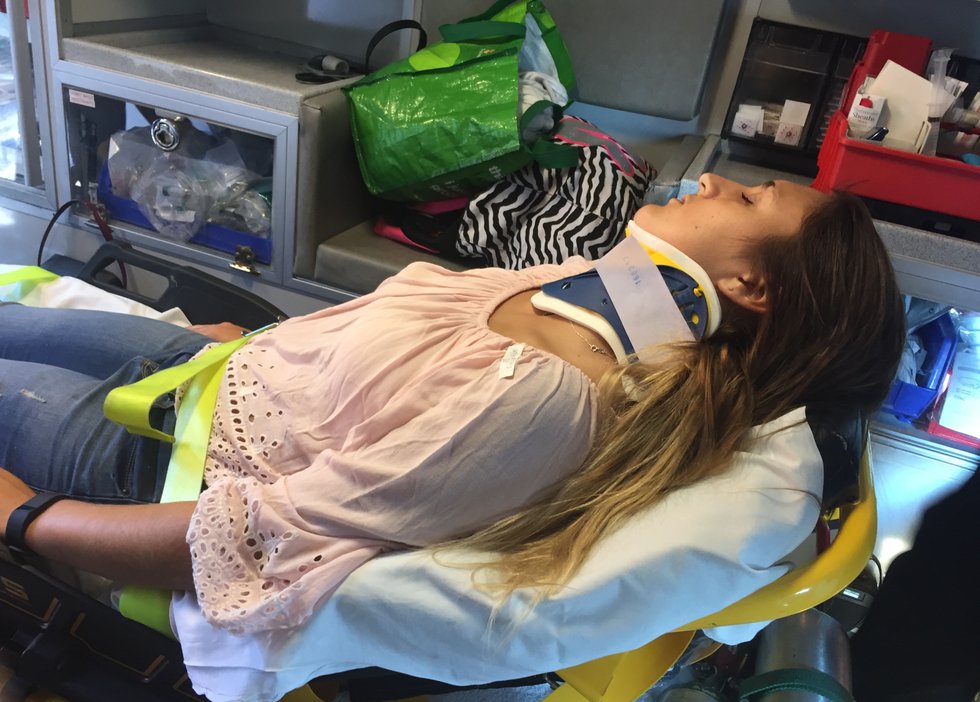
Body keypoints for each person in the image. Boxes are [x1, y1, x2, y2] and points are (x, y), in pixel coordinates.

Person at [0, 174, 905, 636]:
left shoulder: (545, 403)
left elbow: (259, 544)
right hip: (204, 367)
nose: (710, 184)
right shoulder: (607, 295)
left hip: (158, 465)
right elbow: (399, 348)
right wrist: (255, 343)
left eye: (746, 197)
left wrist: (31, 522)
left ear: (751, 286)